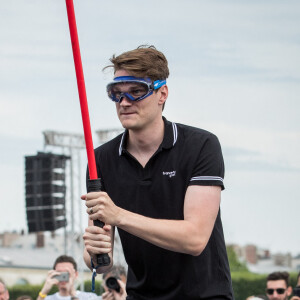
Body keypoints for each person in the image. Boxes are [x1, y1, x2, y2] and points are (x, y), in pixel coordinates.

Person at [82, 45, 234, 299]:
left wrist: (118, 215)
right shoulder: (100, 159)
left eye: (136, 91)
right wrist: (94, 253)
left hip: (204, 295)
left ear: (162, 93)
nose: (124, 102)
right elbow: (101, 261)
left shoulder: (201, 146)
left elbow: (195, 239)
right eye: (116, 94)